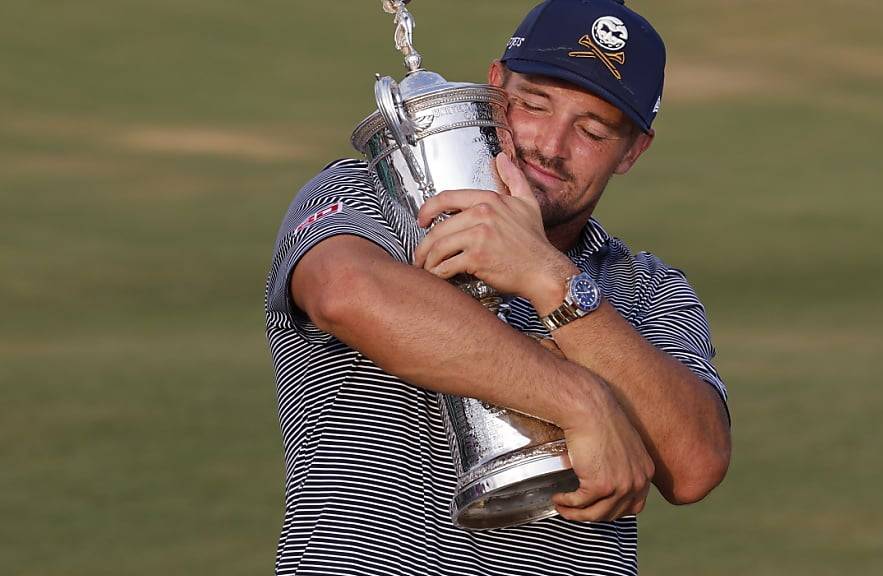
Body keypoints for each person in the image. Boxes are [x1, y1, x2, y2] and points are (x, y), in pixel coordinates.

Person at [264, 1, 731, 574]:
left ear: (633, 150)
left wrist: (548, 275)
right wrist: (581, 401)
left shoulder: (649, 286)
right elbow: (344, 291)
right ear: (494, 88)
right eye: (533, 105)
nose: (550, 146)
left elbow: (695, 463)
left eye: (592, 130)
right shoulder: (372, 195)